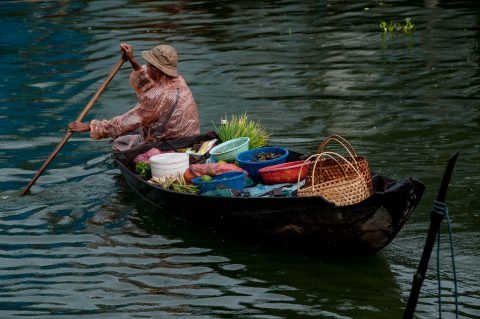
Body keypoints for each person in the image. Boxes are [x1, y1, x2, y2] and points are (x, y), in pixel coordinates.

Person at [68, 42, 200, 152]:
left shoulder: (155, 96)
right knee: (133, 133)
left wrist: (91, 126)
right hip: (190, 139)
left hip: (169, 145)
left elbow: (126, 122)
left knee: (118, 143)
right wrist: (132, 60)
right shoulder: (179, 81)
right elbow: (151, 84)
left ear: (157, 70)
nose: (146, 68)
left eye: (149, 65)